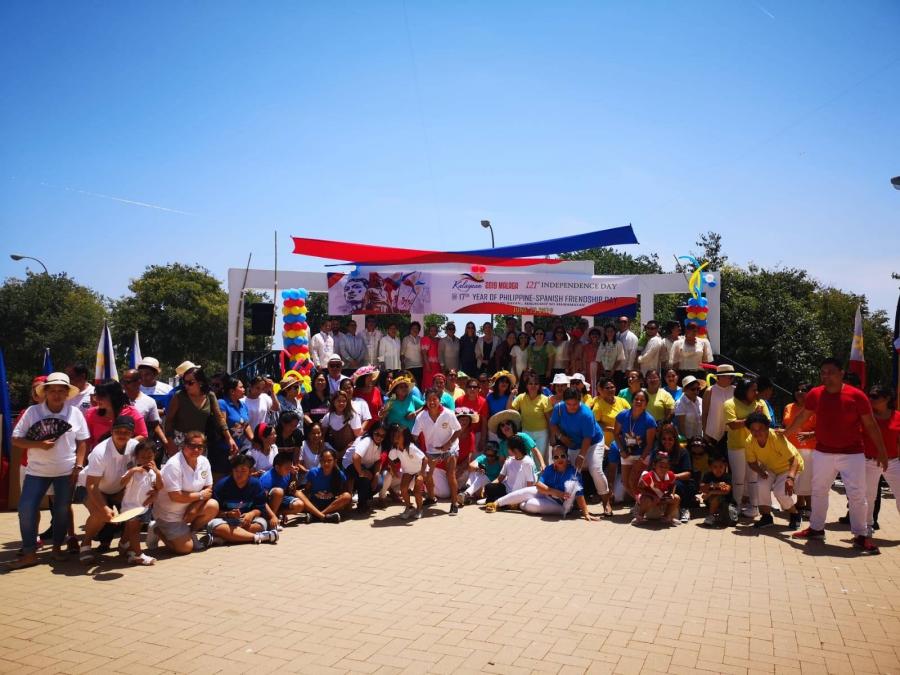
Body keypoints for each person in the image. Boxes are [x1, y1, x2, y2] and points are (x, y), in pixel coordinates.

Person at [785, 359, 888, 554]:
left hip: (852, 453)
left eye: (831, 372)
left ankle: (861, 536)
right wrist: (785, 434)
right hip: (823, 452)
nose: (826, 376)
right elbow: (802, 417)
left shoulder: (857, 396)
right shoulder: (815, 394)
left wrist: (882, 452)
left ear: (841, 373)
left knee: (857, 495)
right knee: (818, 491)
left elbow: (871, 425)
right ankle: (816, 529)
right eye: (823, 372)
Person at [8, 372, 90, 570]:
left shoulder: (75, 413)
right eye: (52, 390)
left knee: (62, 511)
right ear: (45, 392)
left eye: (61, 391)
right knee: (26, 510)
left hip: (66, 470)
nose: (56, 394)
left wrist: (78, 466)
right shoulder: (32, 412)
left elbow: (82, 442)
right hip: (36, 471)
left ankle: (56, 549)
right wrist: (37, 444)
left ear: (66, 393)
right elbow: (16, 439)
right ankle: (29, 552)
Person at [77, 415, 140, 562]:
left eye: (127, 432)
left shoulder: (134, 447)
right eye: (119, 431)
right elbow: (91, 485)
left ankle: (125, 543)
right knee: (100, 515)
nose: (122, 435)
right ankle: (85, 544)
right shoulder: (100, 452)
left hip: (117, 489)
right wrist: (104, 508)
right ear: (112, 431)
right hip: (90, 487)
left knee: (136, 511)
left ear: (132, 433)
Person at [146, 430, 219, 555]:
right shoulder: (174, 465)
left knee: (213, 505)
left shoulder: (204, 461)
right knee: (185, 549)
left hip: (189, 509)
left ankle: (190, 532)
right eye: (192, 446)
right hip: (169, 515)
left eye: (200, 446)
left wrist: (195, 507)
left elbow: (209, 488)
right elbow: (176, 496)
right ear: (184, 446)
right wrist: (200, 496)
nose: (196, 450)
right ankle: (157, 529)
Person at [549, 388, 611, 515]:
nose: (572, 407)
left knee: (595, 469)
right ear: (564, 402)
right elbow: (553, 424)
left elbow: (588, 438)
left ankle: (606, 502)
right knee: (572, 472)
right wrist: (561, 437)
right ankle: (573, 502)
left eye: (575, 404)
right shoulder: (559, 408)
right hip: (573, 443)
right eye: (569, 404)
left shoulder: (586, 414)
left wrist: (582, 455)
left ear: (580, 400)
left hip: (594, 442)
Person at [166, 367, 235, 471]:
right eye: (184, 382)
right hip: (179, 441)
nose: (186, 385)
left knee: (198, 473)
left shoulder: (210, 396)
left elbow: (220, 418)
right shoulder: (179, 396)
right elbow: (169, 420)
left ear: (201, 382)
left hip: (199, 442)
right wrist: (170, 443)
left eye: (190, 382)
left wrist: (229, 438)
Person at [745, 412, 803, 530]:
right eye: (753, 430)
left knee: (780, 492)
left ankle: (795, 514)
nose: (757, 432)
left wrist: (790, 478)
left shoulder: (776, 437)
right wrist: (760, 472)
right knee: (760, 486)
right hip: (770, 468)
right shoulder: (749, 441)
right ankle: (766, 517)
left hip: (789, 467)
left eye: (760, 428)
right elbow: (751, 462)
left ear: (767, 427)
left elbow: (794, 460)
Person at [723, 376, 770, 518]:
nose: (757, 393)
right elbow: (733, 424)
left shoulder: (760, 403)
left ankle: (754, 507)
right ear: (744, 391)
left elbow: (766, 422)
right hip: (736, 446)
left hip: (755, 446)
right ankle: (736, 507)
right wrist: (753, 417)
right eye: (753, 390)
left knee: (753, 478)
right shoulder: (729, 403)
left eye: (757, 390)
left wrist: (754, 418)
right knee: (738, 479)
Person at [208, 454, 279, 545]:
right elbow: (214, 512)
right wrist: (228, 514)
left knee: (261, 524)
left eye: (243, 471)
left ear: (250, 472)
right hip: (226, 521)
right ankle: (260, 537)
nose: (239, 474)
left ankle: (226, 538)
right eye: (236, 470)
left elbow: (260, 508)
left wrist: (251, 514)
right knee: (215, 526)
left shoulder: (256, 484)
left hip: (248, 521)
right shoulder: (221, 485)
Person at [413, 388, 463, 514]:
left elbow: (458, 430)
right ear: (425, 401)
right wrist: (415, 450)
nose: (432, 402)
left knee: (450, 475)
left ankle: (454, 503)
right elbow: (414, 436)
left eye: (434, 399)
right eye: (429, 400)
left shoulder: (448, 413)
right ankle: (430, 498)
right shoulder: (421, 417)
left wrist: (449, 443)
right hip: (432, 449)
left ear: (439, 400)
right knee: (427, 476)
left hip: (451, 448)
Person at [863, 385, 900, 537]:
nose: (870, 399)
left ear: (887, 399)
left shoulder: (898, 417)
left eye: (874, 396)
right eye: (869, 396)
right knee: (869, 497)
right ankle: (867, 527)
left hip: (893, 462)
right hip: (869, 462)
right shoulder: (865, 416)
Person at [118, 440, 162, 566]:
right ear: (136, 457)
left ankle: (124, 546)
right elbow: (122, 483)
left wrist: (158, 472)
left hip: (143, 507)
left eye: (149, 457)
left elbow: (160, 486)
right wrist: (132, 471)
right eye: (142, 457)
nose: (146, 459)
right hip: (130, 508)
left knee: (134, 528)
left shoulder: (153, 473)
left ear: (155, 456)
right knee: (134, 531)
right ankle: (138, 554)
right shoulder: (133, 471)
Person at [591, 376, 631, 502]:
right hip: (606, 445)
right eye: (607, 388)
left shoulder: (622, 401)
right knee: (604, 471)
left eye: (612, 387)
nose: (610, 390)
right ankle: (605, 494)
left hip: (624, 442)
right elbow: (594, 423)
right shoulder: (598, 404)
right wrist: (609, 428)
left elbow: (631, 417)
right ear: (601, 390)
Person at [614, 389, 657, 502]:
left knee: (636, 482)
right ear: (632, 401)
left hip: (642, 454)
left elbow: (650, 443)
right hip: (626, 452)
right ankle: (641, 503)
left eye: (642, 400)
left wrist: (641, 460)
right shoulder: (622, 415)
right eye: (636, 399)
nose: (638, 401)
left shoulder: (649, 420)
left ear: (646, 404)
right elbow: (616, 433)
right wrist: (621, 450)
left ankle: (644, 504)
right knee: (626, 482)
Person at [782, 383, 816, 516]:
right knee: (797, 478)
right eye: (797, 389)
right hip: (790, 448)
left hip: (809, 449)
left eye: (804, 390)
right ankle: (800, 503)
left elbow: (823, 429)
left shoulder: (815, 409)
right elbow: (786, 426)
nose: (800, 392)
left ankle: (810, 507)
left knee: (807, 478)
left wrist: (810, 435)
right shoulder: (788, 407)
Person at [83, 380, 148, 448]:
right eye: (96, 395)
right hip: (99, 456)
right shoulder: (91, 413)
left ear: (113, 396)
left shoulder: (132, 412)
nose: (97, 399)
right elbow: (87, 440)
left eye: (101, 396)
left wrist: (124, 445)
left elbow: (143, 435)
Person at [654, 423, 695, 523]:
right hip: (660, 480)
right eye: (664, 439)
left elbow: (688, 473)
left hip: (678, 481)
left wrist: (671, 476)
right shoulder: (657, 451)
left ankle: (684, 508)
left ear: (675, 439)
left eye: (670, 439)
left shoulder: (683, 452)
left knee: (679, 485)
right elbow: (651, 469)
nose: (667, 442)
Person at [343, 422, 387, 513]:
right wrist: (362, 472)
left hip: (364, 465)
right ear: (372, 432)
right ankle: (362, 504)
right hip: (350, 464)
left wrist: (376, 475)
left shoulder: (380, 444)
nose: (379, 437)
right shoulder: (367, 440)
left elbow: (378, 460)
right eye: (377, 434)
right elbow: (355, 457)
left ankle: (365, 498)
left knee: (379, 482)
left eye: (382, 436)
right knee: (365, 478)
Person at [121, 369, 168, 452]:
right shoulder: (117, 400)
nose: (124, 385)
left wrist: (165, 443)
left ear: (139, 382)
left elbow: (155, 425)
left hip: (140, 449)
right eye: (122, 382)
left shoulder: (149, 402)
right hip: (120, 445)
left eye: (128, 382)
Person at [386, 425, 428, 520]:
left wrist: (421, 474)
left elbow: (425, 459)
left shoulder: (411, 448)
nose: (396, 437)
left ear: (405, 437)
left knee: (417, 492)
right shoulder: (395, 450)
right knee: (403, 489)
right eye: (395, 435)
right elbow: (390, 459)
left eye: (399, 435)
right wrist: (394, 470)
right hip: (408, 471)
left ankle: (420, 509)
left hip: (419, 470)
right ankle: (408, 507)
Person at [482, 435, 537, 506]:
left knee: (491, 500)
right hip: (506, 491)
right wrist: (487, 487)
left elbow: (529, 485)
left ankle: (503, 502)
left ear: (515, 450)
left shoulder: (528, 462)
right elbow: (499, 479)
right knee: (489, 487)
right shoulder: (509, 460)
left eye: (508, 448)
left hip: (519, 494)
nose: (507, 450)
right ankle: (504, 502)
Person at [301, 448, 351, 522]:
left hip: (331, 505)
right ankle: (325, 516)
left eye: (329, 461)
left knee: (347, 496)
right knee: (300, 495)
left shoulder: (340, 474)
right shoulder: (313, 472)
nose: (326, 463)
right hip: (315, 504)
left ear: (335, 462)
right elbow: (307, 490)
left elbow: (344, 492)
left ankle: (317, 515)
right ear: (320, 462)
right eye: (323, 461)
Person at [511, 373, 553, 463]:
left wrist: (552, 436)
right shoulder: (521, 397)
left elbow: (549, 420)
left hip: (542, 434)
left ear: (539, 386)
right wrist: (511, 395)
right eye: (530, 383)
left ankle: (540, 477)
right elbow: (509, 410)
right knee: (528, 459)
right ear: (526, 385)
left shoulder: (545, 399)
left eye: (536, 383)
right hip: (526, 432)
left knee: (539, 459)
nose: (533, 386)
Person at [260, 451, 310, 524]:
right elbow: (262, 501)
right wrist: (272, 515)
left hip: (281, 500)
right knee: (278, 492)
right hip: (267, 504)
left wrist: (293, 475)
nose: (290, 469)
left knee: (299, 505)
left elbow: (292, 489)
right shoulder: (266, 478)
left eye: (290, 467)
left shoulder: (288, 473)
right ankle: (270, 519)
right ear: (277, 467)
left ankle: (277, 513)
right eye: (287, 468)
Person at [633, 452, 680, 526]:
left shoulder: (671, 475)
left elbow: (673, 485)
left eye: (666, 467)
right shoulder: (648, 477)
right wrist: (652, 496)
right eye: (661, 466)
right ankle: (639, 517)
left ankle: (666, 517)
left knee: (676, 498)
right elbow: (638, 488)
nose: (663, 469)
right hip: (648, 500)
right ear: (654, 465)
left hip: (660, 499)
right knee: (647, 499)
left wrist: (670, 493)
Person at [702, 364, 737, 456]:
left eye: (732, 377)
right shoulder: (710, 391)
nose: (732, 379)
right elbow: (705, 413)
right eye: (730, 377)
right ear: (720, 377)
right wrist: (705, 433)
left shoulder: (735, 390)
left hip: (731, 432)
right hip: (713, 432)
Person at [320, 390, 363, 462]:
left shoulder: (353, 416)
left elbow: (358, 438)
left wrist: (342, 453)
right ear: (333, 402)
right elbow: (322, 436)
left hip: (349, 453)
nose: (341, 403)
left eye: (344, 401)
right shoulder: (329, 416)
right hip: (332, 453)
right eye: (338, 401)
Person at [218, 377, 254, 454]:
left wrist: (254, 441)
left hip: (238, 449)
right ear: (232, 391)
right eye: (241, 387)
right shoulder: (222, 403)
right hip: (223, 450)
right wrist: (229, 439)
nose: (244, 389)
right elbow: (222, 425)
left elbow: (246, 425)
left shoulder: (243, 405)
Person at [699, 454, 734, 526]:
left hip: (725, 502)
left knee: (731, 522)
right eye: (715, 467)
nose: (718, 469)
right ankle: (711, 516)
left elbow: (726, 491)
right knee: (715, 498)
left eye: (721, 467)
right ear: (710, 468)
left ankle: (720, 514)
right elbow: (701, 488)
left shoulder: (727, 476)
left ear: (725, 466)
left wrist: (711, 492)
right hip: (710, 500)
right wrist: (715, 485)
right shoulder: (707, 475)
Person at [595, 323, 625, 388]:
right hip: (604, 371)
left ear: (614, 332)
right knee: (604, 389)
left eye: (611, 331)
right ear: (605, 332)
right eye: (607, 331)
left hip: (615, 372)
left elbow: (620, 358)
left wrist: (612, 370)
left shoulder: (618, 343)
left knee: (615, 389)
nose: (609, 333)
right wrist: (604, 371)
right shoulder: (602, 344)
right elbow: (599, 359)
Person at [674, 375, 704, 440]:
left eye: (698, 389)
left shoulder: (701, 401)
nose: (696, 391)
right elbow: (681, 425)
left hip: (700, 439)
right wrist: (685, 441)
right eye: (693, 389)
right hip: (687, 439)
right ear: (685, 390)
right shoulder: (680, 403)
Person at [420, 324, 442, 389]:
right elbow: (424, 354)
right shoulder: (425, 339)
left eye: (435, 331)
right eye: (431, 331)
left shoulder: (438, 340)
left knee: (437, 382)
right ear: (429, 331)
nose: (433, 332)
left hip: (437, 366)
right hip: (429, 365)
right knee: (428, 383)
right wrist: (427, 366)